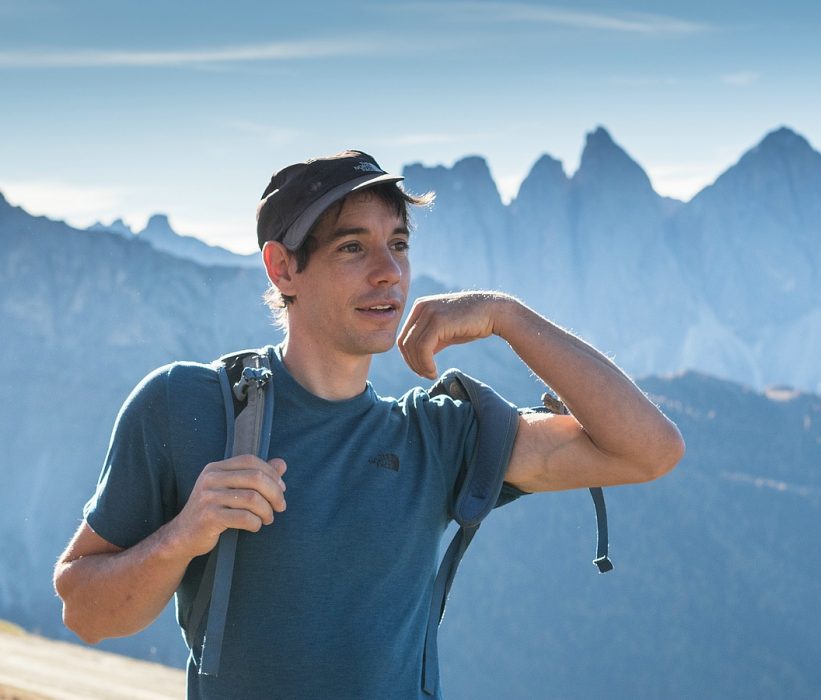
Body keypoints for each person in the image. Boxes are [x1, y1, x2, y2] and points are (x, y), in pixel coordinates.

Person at [54, 150, 684, 699]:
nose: (389, 272)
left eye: (399, 244)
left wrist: (506, 316)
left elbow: (648, 451)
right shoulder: (187, 405)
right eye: (352, 247)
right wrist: (182, 536)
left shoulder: (437, 437)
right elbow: (85, 611)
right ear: (282, 268)